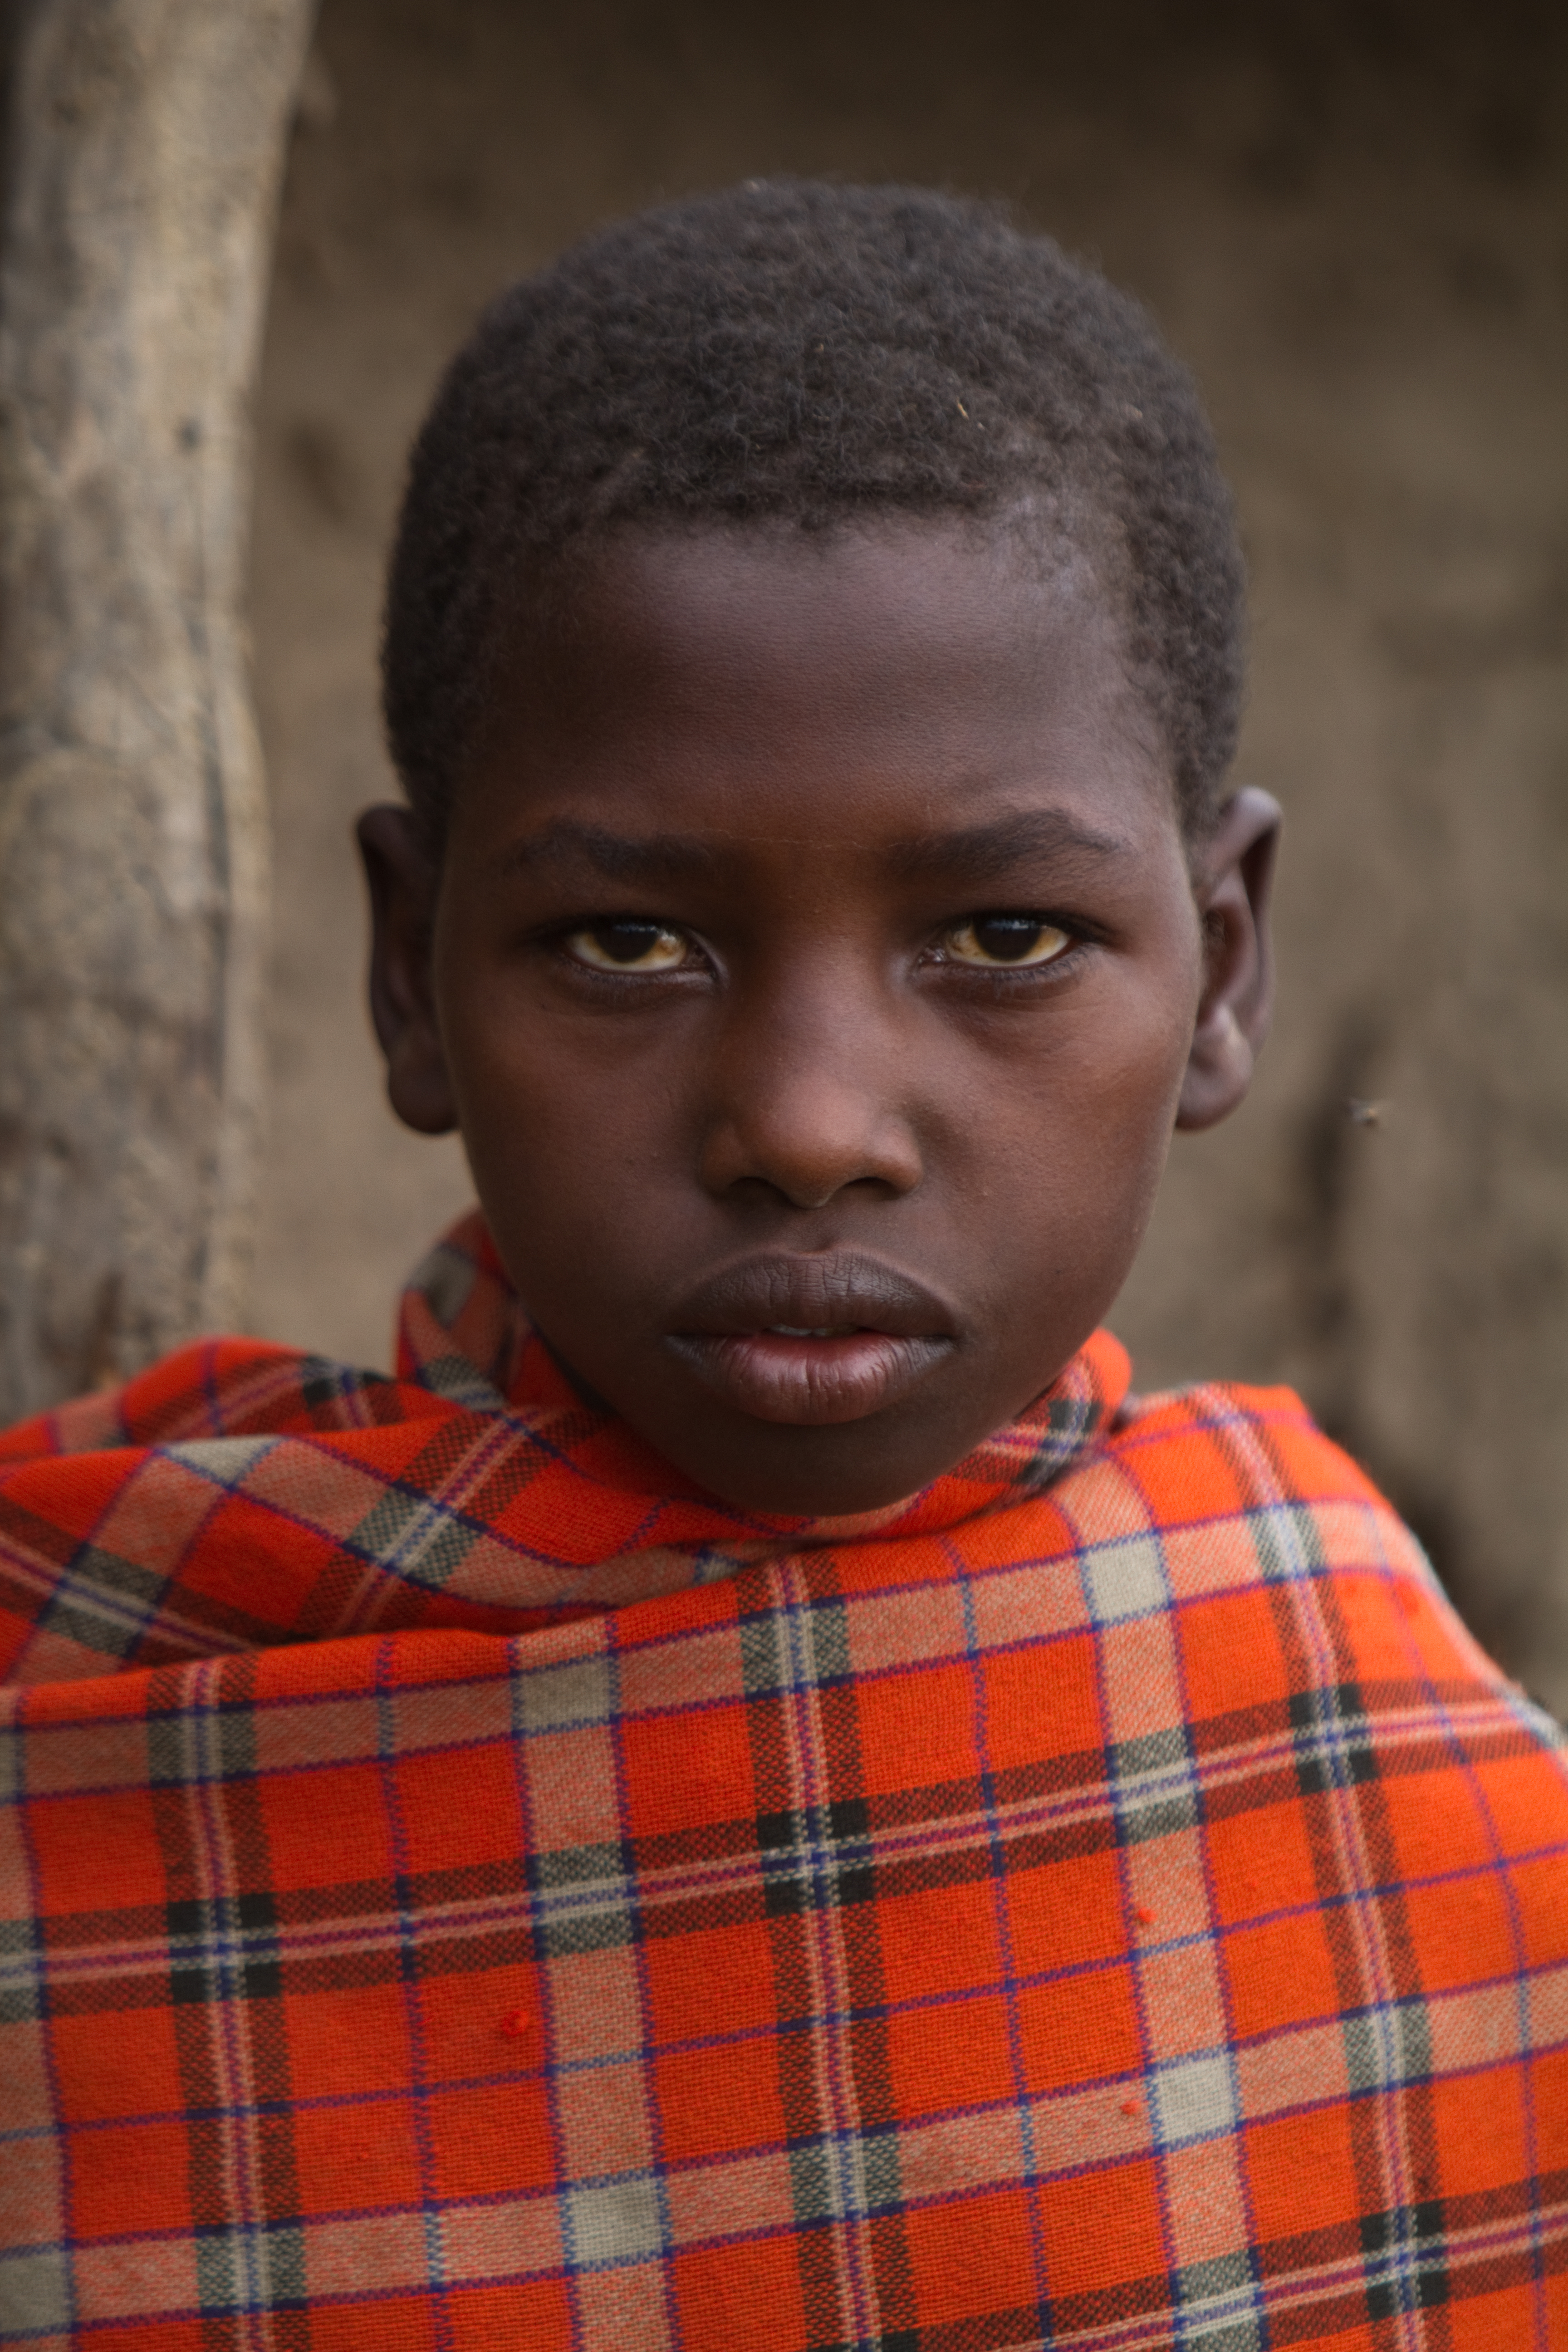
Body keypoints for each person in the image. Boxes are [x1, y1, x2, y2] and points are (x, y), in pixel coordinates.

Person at [2, 180, 1565, 2351]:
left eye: (1006, 936)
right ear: (406, 977)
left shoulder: (1439, 1852)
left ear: (1220, 972)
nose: (811, 1124)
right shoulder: (90, 1728)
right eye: (628, 943)